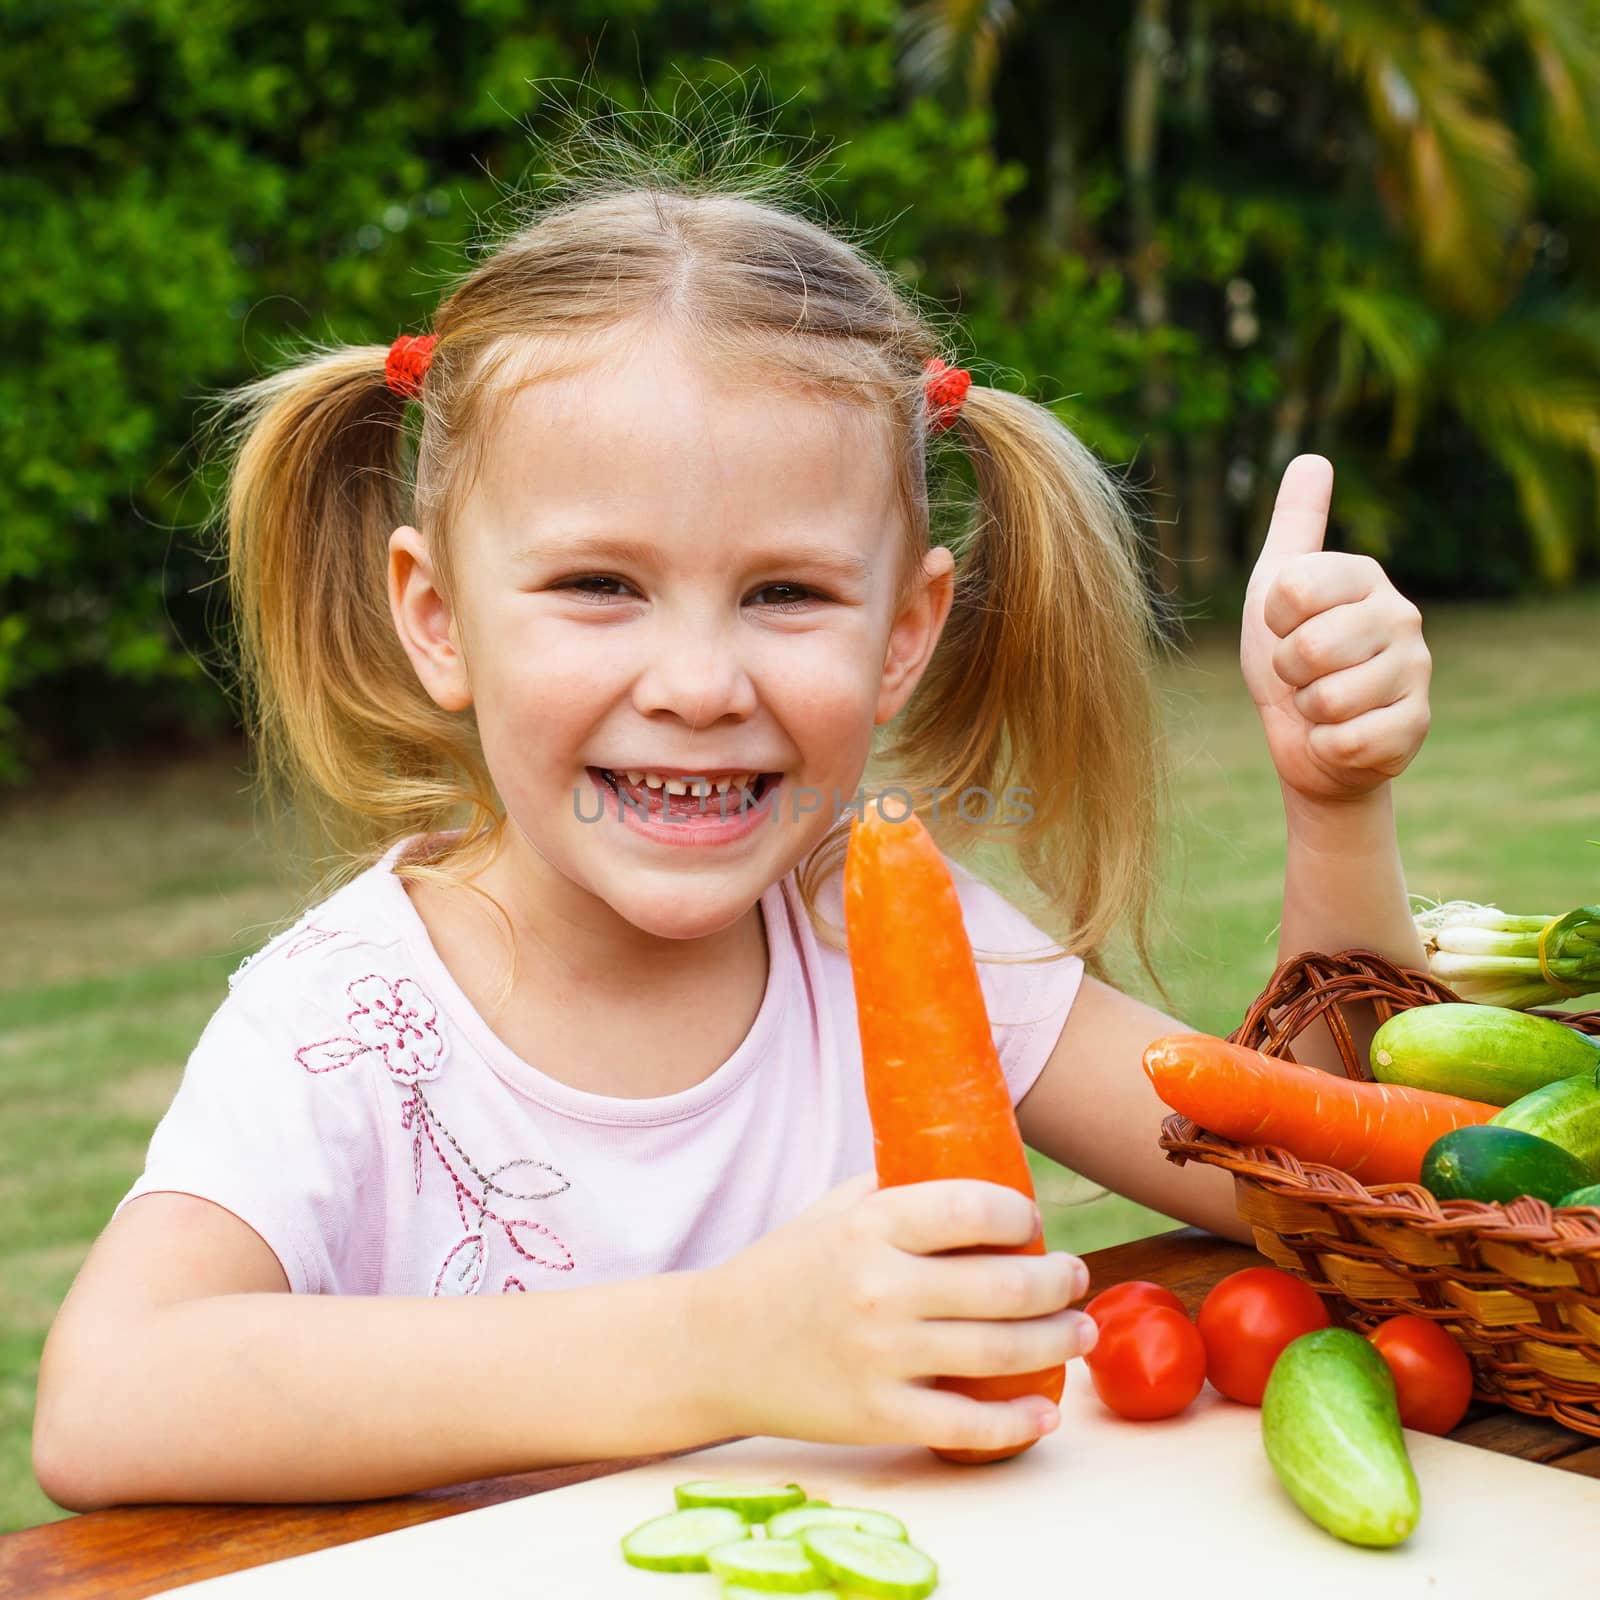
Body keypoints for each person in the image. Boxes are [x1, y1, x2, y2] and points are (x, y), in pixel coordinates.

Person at [32, 178, 1432, 1511]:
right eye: (600, 585)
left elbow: (1336, 1191)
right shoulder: (346, 1020)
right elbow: (108, 1398)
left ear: (904, 636)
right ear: (437, 614)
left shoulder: (887, 937)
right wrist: (717, 1346)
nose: (699, 684)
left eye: (785, 592)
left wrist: (1337, 804)